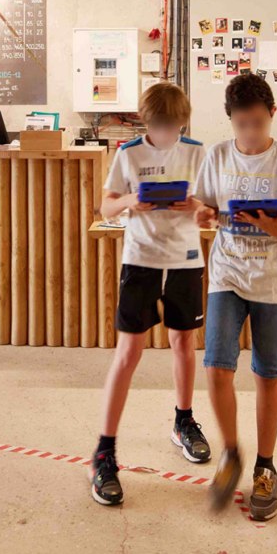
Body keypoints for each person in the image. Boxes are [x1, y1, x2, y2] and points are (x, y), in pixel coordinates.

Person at [194, 73, 277, 521]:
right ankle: (231, 454)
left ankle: (266, 466)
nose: (250, 132)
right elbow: (202, 207)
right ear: (230, 120)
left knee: (268, 373)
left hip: (272, 278)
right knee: (216, 367)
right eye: (242, 124)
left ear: (272, 116)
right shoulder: (217, 156)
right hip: (227, 272)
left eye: (258, 123)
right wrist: (206, 213)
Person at [88, 82, 211, 507]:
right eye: (160, 126)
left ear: (183, 122)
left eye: (174, 126)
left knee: (184, 343)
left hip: (185, 259)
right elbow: (105, 206)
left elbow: (212, 206)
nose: (167, 133)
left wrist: (195, 204)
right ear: (146, 122)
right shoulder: (128, 154)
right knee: (129, 353)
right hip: (140, 260)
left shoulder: (197, 151)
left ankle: (184, 421)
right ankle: (104, 452)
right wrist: (129, 202)